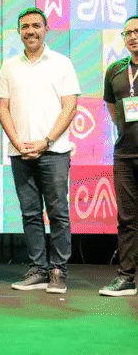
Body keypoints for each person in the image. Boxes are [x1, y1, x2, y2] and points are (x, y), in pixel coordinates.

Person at [0, 7, 80, 294]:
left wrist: (47, 140)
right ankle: (38, 270)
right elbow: (3, 108)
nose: (30, 31)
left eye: (35, 26)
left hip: (54, 152)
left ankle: (58, 271)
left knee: (58, 213)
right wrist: (17, 142)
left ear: (46, 29)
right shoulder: (9, 66)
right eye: (25, 27)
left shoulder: (62, 63)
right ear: (19, 31)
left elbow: (70, 106)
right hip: (20, 152)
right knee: (30, 214)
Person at [99, 15, 138, 296]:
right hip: (125, 155)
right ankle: (126, 277)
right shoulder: (115, 70)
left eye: (137, 31)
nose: (133, 37)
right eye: (128, 33)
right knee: (127, 219)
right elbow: (114, 110)